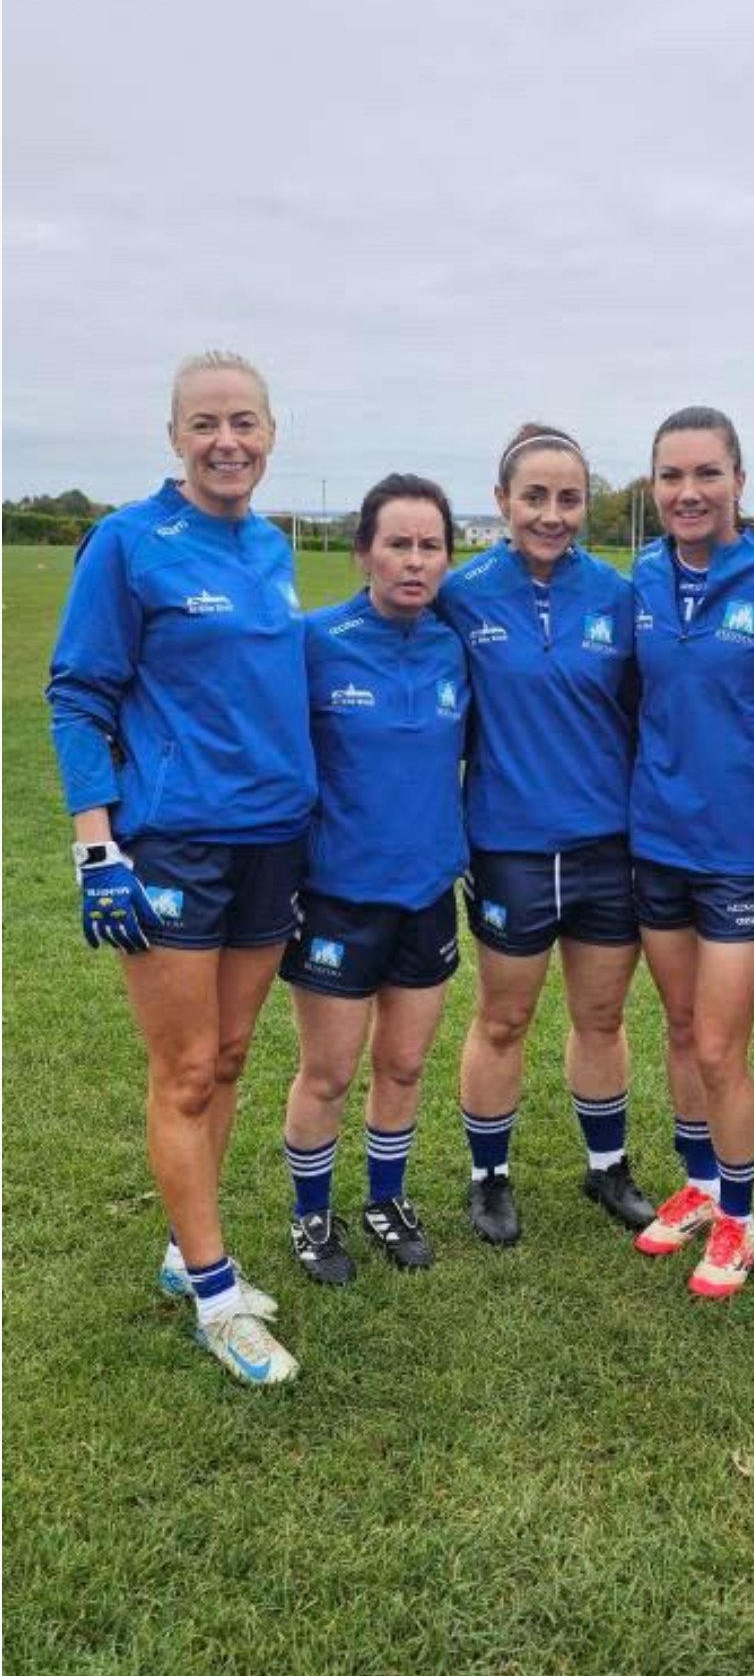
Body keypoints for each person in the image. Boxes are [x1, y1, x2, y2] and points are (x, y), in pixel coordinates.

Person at [47, 350, 316, 1386]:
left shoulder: (271, 546)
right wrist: (97, 846)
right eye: (205, 423)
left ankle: (182, 1248)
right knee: (187, 1068)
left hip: (272, 841)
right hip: (173, 847)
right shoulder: (128, 542)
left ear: (271, 433)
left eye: (244, 422)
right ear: (174, 436)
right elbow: (79, 694)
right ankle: (214, 1295)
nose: (226, 441)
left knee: (234, 1054)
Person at [437, 422, 651, 1245]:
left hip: (606, 846)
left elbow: (643, 710)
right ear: (502, 501)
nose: (552, 515)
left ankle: (607, 1165)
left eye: (569, 498)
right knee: (504, 1018)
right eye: (534, 497)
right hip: (510, 848)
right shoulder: (461, 594)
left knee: (601, 1017)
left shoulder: (617, 595)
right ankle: (489, 1176)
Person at [629, 408, 754, 1298]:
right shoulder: (640, 576)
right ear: (654, 485)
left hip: (743, 849)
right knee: (679, 1029)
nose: (689, 491)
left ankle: (740, 1215)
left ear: (740, 480)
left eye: (707, 473)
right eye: (672, 475)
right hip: (655, 840)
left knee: (718, 1044)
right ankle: (702, 1185)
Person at [279, 475, 470, 1282]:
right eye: (398, 543)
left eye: (431, 546)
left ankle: (385, 1200)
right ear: (363, 552)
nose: (414, 561)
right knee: (328, 1072)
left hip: (426, 896)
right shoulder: (315, 642)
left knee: (404, 1065)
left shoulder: (454, 646)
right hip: (336, 901)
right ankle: (310, 1215)